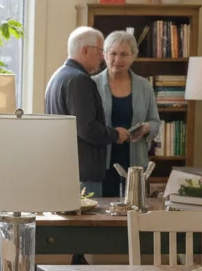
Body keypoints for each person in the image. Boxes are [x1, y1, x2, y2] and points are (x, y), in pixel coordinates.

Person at [44, 26, 128, 198]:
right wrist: (115, 135)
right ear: (85, 50)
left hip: (64, 169)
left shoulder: (58, 76)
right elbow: (86, 128)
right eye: (100, 51)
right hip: (82, 172)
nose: (102, 58)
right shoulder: (79, 80)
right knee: (86, 223)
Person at [93, 31, 161, 197]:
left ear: (133, 56)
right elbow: (88, 125)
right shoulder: (91, 84)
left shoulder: (144, 86)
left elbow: (155, 122)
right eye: (113, 53)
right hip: (102, 161)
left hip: (136, 163)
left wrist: (147, 127)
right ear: (104, 55)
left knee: (134, 213)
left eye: (124, 54)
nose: (118, 59)